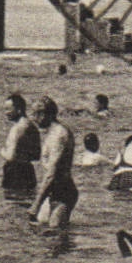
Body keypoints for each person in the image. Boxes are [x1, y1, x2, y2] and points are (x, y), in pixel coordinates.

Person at [29, 96, 77, 227]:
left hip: (63, 191)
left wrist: (36, 204)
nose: (33, 118)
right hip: (52, 190)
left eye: (35, 114)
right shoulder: (52, 133)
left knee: (57, 236)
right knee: (44, 234)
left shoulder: (59, 135)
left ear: (44, 114)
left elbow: (52, 173)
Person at [0, 93, 41, 196]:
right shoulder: (32, 126)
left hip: (15, 173)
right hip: (28, 171)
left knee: (13, 206)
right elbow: (37, 155)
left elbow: (11, 157)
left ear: (18, 109)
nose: (6, 113)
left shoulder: (18, 128)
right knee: (26, 203)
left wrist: (2, 152)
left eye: (8, 109)